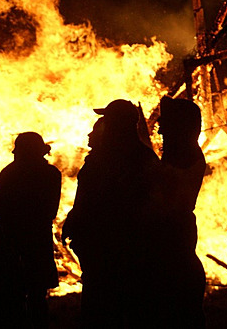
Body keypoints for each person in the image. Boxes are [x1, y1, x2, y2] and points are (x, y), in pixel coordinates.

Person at [64, 99, 161, 328]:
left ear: (118, 124)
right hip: (113, 247)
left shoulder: (120, 160)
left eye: (108, 120)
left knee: (106, 307)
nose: (102, 125)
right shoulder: (140, 157)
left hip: (113, 248)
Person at [0, 132, 62, 329]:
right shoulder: (52, 175)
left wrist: (7, 226)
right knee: (38, 296)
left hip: (13, 242)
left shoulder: (10, 173)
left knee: (14, 294)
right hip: (39, 240)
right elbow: (50, 211)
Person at [155, 95, 208, 327]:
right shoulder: (183, 152)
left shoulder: (186, 156)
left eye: (165, 122)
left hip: (175, 226)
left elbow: (168, 194)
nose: (159, 129)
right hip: (176, 225)